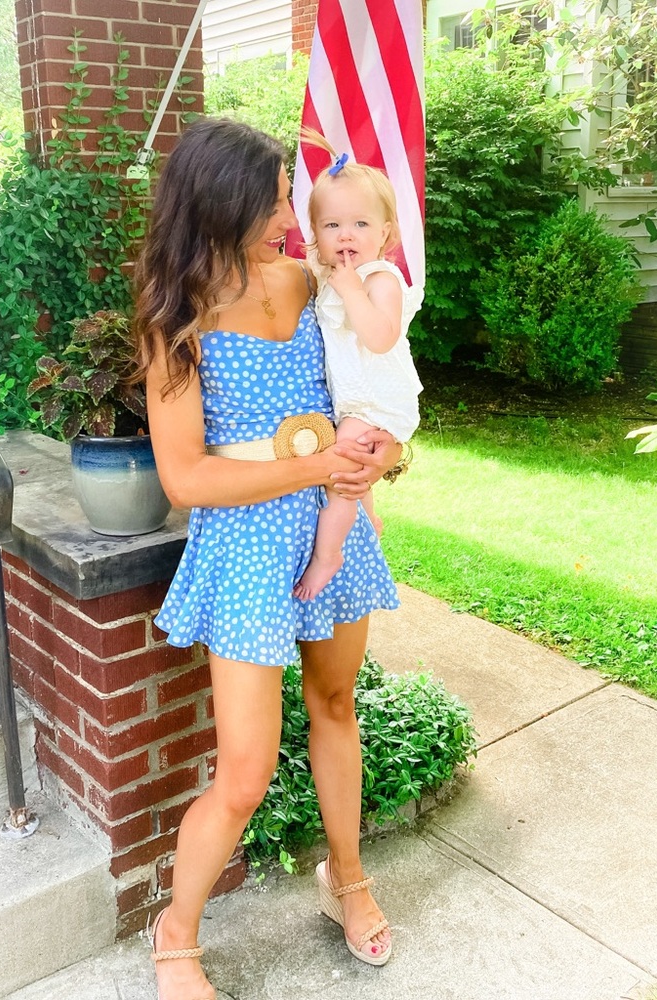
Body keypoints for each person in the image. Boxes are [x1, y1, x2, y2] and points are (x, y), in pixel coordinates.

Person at [134, 117, 403, 1000]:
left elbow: (374, 390)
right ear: (227, 202)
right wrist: (311, 466)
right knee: (245, 771)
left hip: (334, 522)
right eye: (280, 192)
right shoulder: (176, 320)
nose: (296, 206)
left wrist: (379, 455)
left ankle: (347, 879)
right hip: (248, 545)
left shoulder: (311, 281)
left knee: (336, 701)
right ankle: (176, 936)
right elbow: (184, 477)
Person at [293, 132, 424, 601]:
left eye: (360, 223)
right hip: (352, 397)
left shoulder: (380, 278)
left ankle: (329, 555)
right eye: (331, 226)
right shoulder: (331, 276)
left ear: (386, 234)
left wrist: (351, 289)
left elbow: (380, 335)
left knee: (342, 475)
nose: (346, 235)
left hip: (376, 397)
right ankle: (369, 521)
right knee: (352, 472)